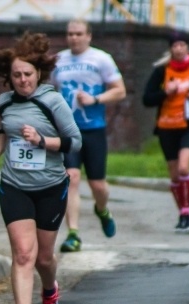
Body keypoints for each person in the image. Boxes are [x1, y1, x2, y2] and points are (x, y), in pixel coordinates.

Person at [0, 32, 81, 304]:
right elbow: (5, 128)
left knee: (43, 258)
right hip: (14, 185)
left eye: (27, 74)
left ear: (39, 73)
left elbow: (74, 141)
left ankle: (50, 289)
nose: (23, 80)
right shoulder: (5, 101)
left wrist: (42, 141)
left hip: (51, 187)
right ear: (8, 78)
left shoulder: (52, 101)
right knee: (23, 254)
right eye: (16, 75)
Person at [52, 19, 126, 252]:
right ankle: (73, 234)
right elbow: (53, 92)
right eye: (70, 33)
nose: (74, 38)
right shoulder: (58, 60)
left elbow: (120, 90)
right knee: (70, 177)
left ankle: (102, 210)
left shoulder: (101, 59)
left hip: (94, 130)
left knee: (98, 186)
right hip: (68, 131)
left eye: (78, 33)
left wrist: (96, 100)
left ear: (89, 36)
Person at [142, 31, 189, 232]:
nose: (179, 48)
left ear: (187, 48)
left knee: (183, 167)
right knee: (174, 175)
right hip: (167, 127)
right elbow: (147, 99)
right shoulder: (162, 70)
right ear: (171, 49)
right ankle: (182, 212)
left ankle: (187, 212)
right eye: (175, 45)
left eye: (182, 45)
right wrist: (166, 92)